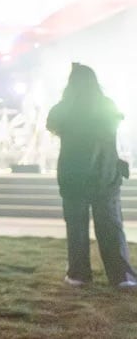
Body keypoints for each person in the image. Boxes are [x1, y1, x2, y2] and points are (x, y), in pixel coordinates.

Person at [47, 63, 137, 289]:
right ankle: (121, 276)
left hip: (73, 174)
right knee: (111, 224)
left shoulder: (64, 107)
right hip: (105, 173)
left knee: (76, 227)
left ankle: (78, 275)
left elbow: (53, 126)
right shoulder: (106, 104)